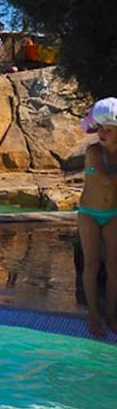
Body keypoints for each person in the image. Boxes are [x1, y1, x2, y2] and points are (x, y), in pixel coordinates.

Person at [78, 98, 117, 337]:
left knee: (114, 265)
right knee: (92, 263)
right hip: (89, 214)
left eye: (109, 130)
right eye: (100, 128)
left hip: (113, 214)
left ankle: (111, 315)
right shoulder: (94, 152)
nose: (102, 133)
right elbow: (105, 181)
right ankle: (93, 315)